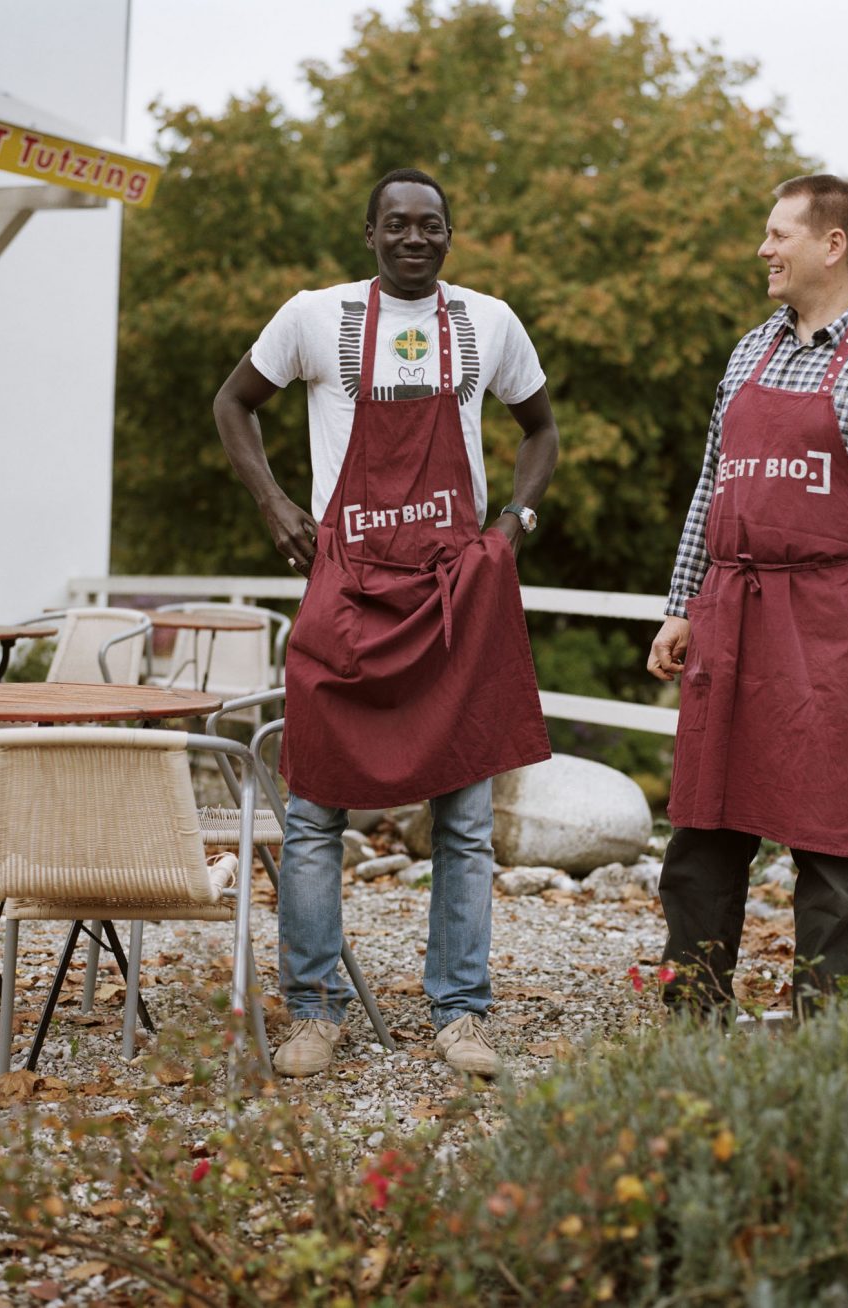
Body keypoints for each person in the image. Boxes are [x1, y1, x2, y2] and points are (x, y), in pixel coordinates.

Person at [214, 168, 558, 1076]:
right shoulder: (315, 317)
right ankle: (315, 1012)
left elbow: (541, 430)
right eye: (398, 224)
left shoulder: (489, 324)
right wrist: (275, 504)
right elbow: (232, 404)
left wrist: (512, 525)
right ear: (369, 233)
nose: (417, 238)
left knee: (467, 822)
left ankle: (462, 1014)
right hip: (347, 589)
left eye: (432, 225)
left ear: (451, 235)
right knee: (317, 811)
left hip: (455, 594)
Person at [646, 174, 848, 1017]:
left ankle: (828, 1053)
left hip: (833, 629)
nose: (764, 249)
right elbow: (714, 489)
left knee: (831, 848)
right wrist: (682, 603)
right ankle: (690, 1024)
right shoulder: (750, 351)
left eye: (779, 234)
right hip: (730, 616)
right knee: (701, 837)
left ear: (833, 245)